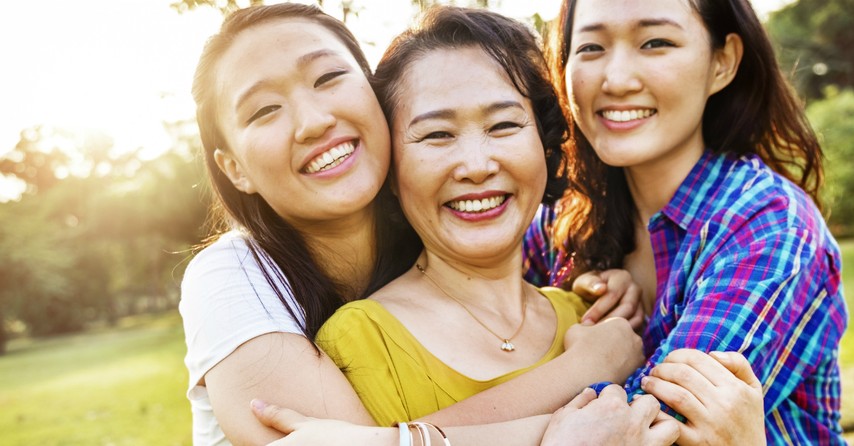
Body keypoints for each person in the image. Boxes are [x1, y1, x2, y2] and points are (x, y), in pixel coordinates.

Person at [180, 3, 656, 445]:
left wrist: (600, 290)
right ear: (234, 168)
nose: (312, 121)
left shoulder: (450, 234)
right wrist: (590, 372)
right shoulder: (232, 277)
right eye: (264, 110)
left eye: (328, 77)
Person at [524, 0, 847, 443]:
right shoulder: (555, 222)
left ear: (723, 62)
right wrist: (559, 310)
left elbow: (654, 430)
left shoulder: (768, 223)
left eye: (655, 42)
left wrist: (594, 361)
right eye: (591, 47)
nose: (615, 79)